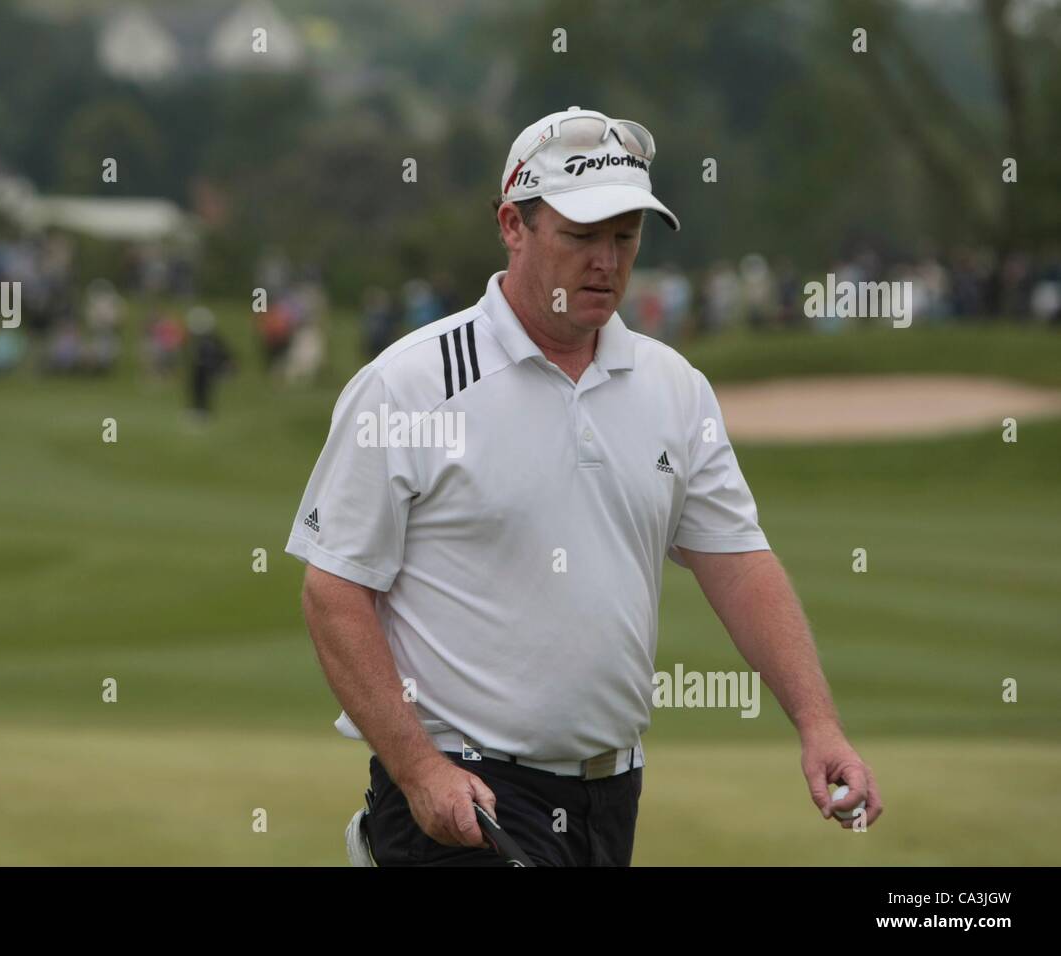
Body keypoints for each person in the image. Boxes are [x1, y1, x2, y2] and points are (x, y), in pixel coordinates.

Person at [285, 106, 883, 867]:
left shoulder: (673, 387)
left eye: (624, 237)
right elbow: (333, 591)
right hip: (467, 798)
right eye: (580, 236)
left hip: (612, 798)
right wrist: (419, 770)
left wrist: (818, 724)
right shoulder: (410, 385)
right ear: (513, 224)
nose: (606, 261)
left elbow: (738, 562)